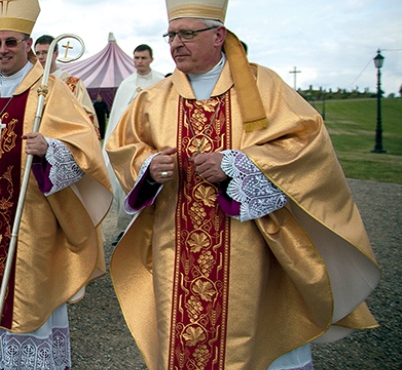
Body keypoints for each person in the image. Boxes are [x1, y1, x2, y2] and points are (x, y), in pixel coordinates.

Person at [106, 1, 381, 369]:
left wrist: (240, 164)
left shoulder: (261, 85)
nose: (176, 43)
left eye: (188, 33)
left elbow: (305, 145)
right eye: (171, 35)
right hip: (176, 245)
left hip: (252, 245)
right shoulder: (154, 97)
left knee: (257, 339)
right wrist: (149, 167)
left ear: (218, 35)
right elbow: (124, 148)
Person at [0, 1, 112, 368]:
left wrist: (50, 149)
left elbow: (85, 148)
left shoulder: (50, 90)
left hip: (32, 215)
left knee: (31, 294)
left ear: (28, 44)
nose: (2, 50)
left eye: (11, 42)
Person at [102, 43, 165, 240]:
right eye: (136, 58)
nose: (139, 62)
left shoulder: (161, 81)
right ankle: (125, 231)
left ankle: (156, 230)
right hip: (131, 144)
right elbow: (117, 118)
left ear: (151, 59)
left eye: (143, 58)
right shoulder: (127, 84)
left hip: (157, 141)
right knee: (126, 185)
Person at [34, 34, 101, 139]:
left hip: (65, 140)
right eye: (38, 53)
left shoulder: (73, 84)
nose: (41, 57)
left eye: (45, 52)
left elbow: (87, 116)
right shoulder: (32, 84)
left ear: (55, 54)